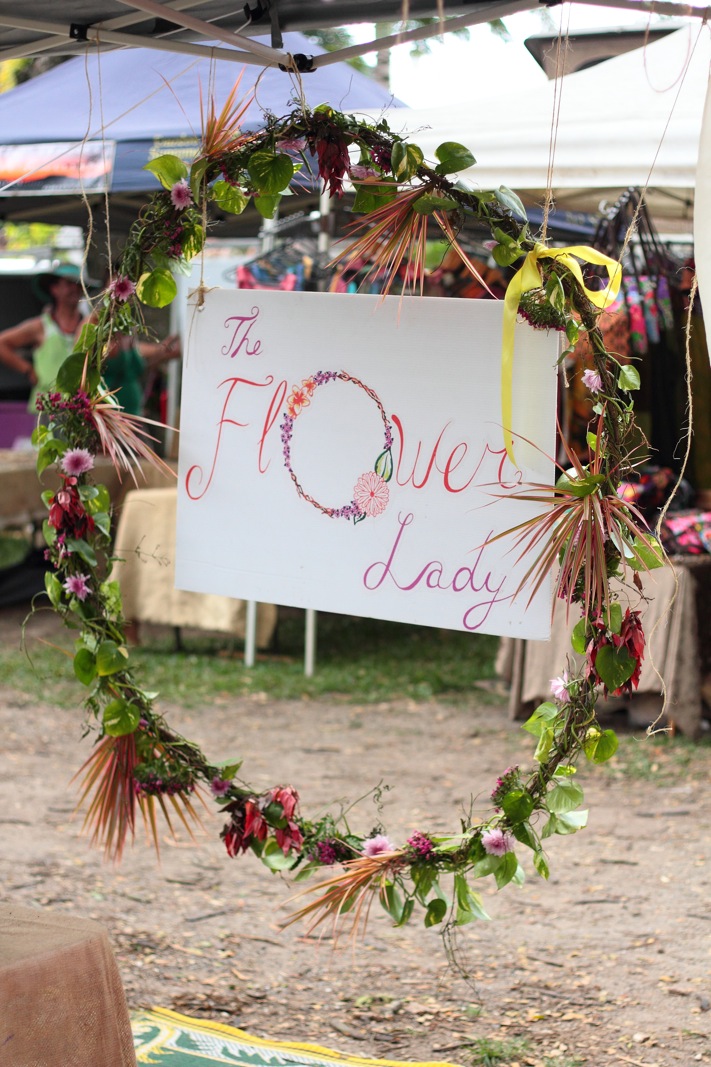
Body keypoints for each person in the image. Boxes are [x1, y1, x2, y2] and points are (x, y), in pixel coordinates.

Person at [0, 262, 92, 411]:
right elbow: (2, 343)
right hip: (46, 408)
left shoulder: (89, 325)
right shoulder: (41, 326)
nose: (75, 288)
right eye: (69, 284)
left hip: (80, 411)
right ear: (54, 289)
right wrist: (28, 370)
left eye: (78, 284)